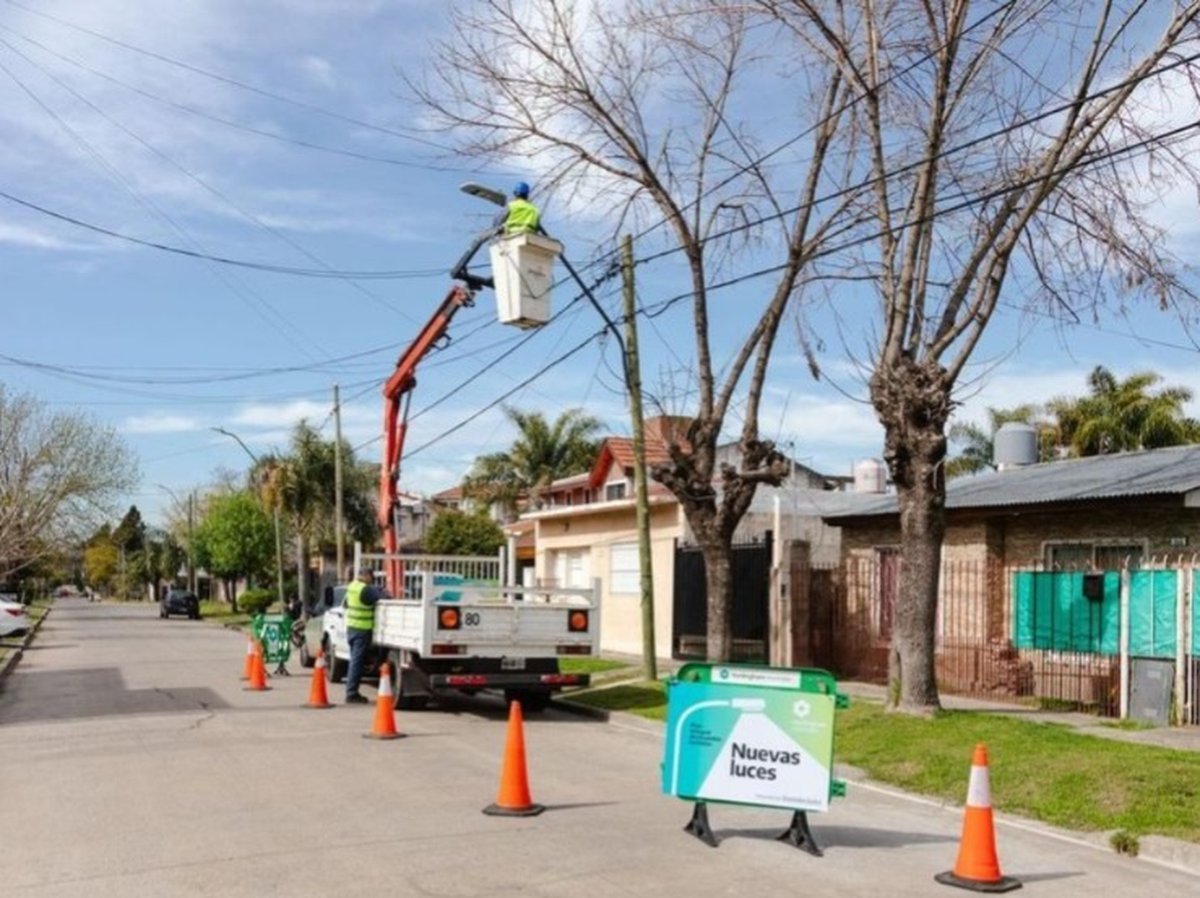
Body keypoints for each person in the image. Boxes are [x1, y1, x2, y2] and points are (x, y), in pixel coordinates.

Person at [344, 566, 380, 704]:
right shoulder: (366, 589)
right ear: (367, 576)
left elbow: (347, 604)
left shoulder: (352, 586)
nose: (373, 579)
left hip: (352, 628)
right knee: (356, 662)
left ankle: (351, 690)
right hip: (362, 630)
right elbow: (381, 597)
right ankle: (352, 693)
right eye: (372, 576)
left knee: (354, 661)